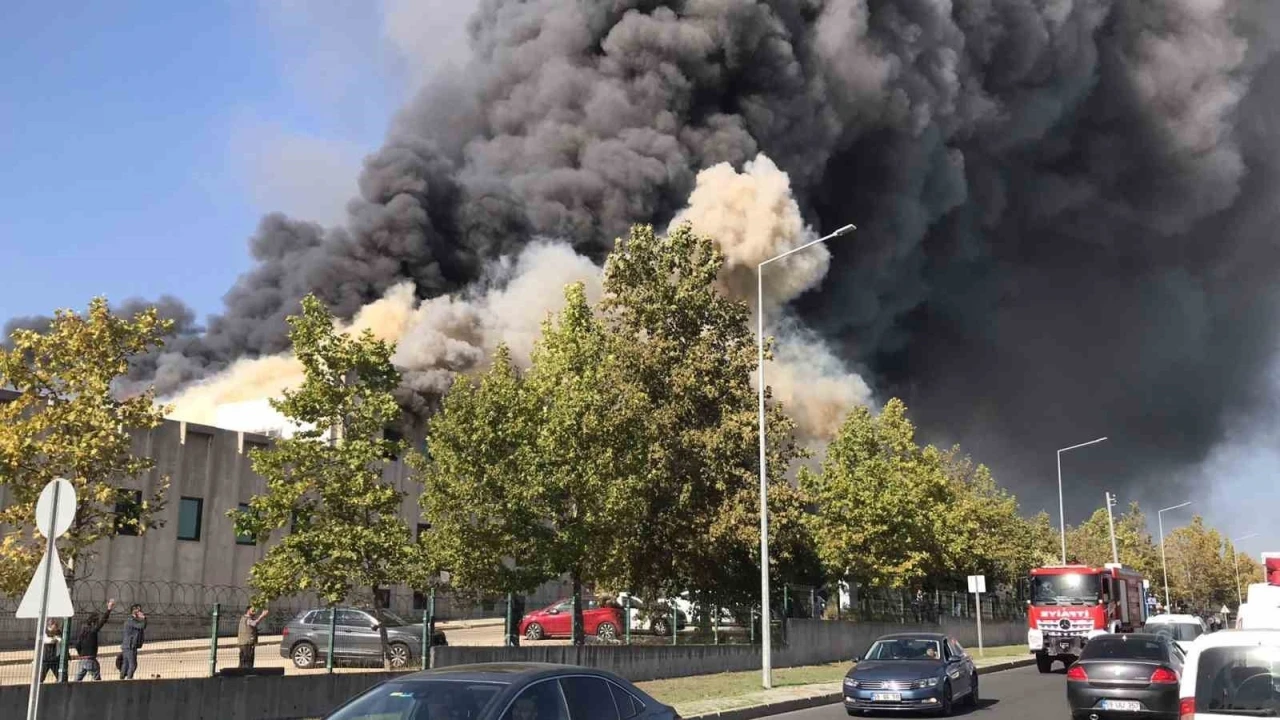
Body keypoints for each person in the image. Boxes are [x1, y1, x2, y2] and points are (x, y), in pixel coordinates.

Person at [74, 598, 116, 681]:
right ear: (94, 622)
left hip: (82, 659)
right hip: (90, 659)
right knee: (96, 677)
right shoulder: (92, 631)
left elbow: (77, 645)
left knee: (78, 678)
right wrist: (109, 609)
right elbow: (102, 622)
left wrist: (81, 654)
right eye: (96, 622)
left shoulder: (83, 631)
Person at [120, 604, 146, 679]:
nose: (141, 612)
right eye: (139, 611)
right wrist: (144, 618)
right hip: (130, 646)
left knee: (126, 664)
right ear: (134, 612)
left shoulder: (132, 620)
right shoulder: (131, 621)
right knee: (133, 665)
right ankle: (129, 680)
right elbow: (142, 626)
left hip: (128, 646)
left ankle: (122, 679)